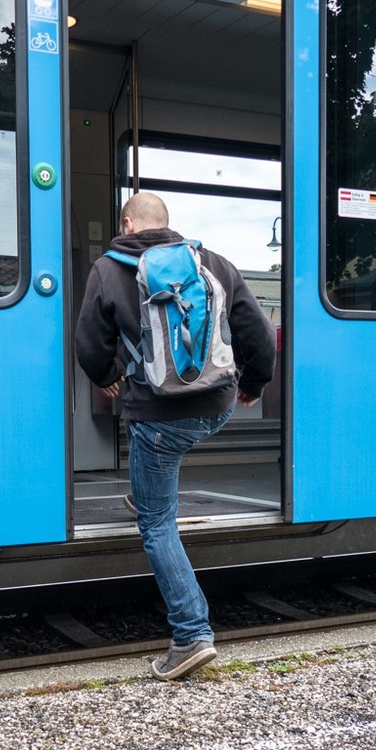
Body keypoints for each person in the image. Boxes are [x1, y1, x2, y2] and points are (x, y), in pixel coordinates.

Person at [75, 192, 276, 681]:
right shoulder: (212, 262)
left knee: (157, 521)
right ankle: (147, 490)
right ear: (168, 224)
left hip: (159, 416)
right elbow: (259, 335)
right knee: (163, 457)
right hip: (217, 406)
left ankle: (191, 634)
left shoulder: (107, 268)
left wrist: (107, 376)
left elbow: (90, 345)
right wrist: (253, 384)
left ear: (127, 223)